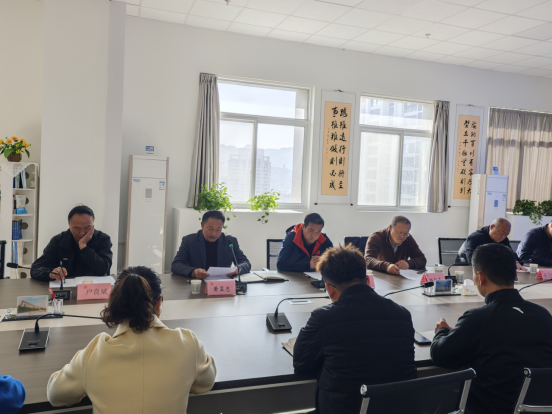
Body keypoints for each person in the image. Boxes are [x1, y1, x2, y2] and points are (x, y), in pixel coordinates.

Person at [47, 266, 216, 413]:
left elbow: (55, 394)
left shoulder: (95, 354)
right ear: (159, 303)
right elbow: (205, 383)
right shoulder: (187, 343)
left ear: (116, 302)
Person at [293, 244, 416, 414]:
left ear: (329, 289)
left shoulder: (323, 317)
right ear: (367, 280)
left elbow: (301, 364)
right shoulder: (402, 314)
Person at [431, 244, 552, 414]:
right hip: (538, 408)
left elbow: (440, 356)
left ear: (480, 277)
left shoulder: (479, 318)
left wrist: (442, 331)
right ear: (515, 275)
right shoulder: (543, 315)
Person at [31, 205, 113, 281]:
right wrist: (50, 273)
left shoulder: (103, 239)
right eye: (77, 228)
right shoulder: (58, 240)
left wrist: (84, 247)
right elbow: (35, 268)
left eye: (87, 227)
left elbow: (103, 269)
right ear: (69, 225)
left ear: (93, 225)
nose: (82, 233)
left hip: (93, 289)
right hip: (64, 288)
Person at [171, 210, 250, 279]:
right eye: (210, 228)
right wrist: (194, 272)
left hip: (221, 285)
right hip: (197, 284)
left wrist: (238, 269)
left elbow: (246, 263)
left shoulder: (230, 241)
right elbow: (176, 265)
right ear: (202, 225)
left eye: (218, 229)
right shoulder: (189, 240)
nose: (214, 233)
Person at [457, 217, 526, 270]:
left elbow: (511, 255)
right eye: (501, 233)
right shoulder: (475, 237)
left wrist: (515, 261)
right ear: (492, 227)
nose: (503, 237)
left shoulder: (503, 240)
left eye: (506, 235)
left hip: (488, 271)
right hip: (465, 269)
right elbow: (472, 260)